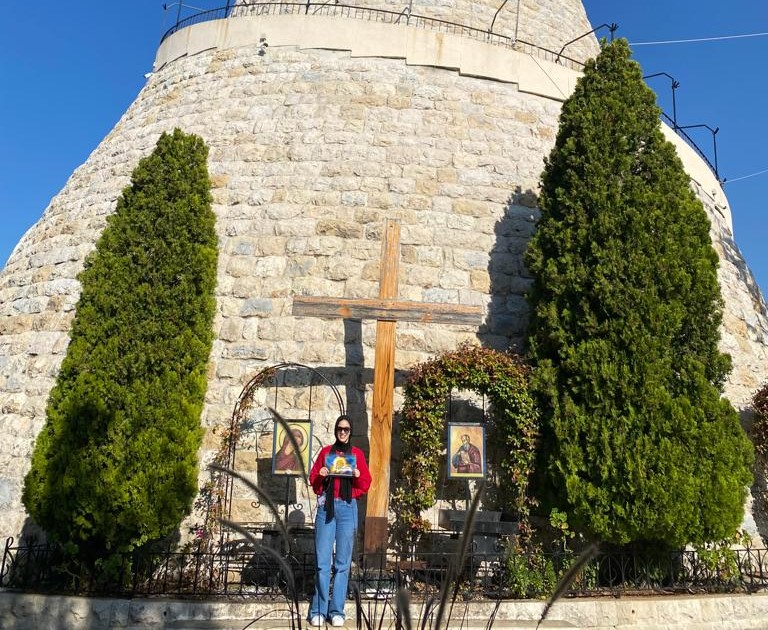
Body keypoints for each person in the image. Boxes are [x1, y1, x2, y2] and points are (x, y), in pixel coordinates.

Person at [308, 415, 371, 627]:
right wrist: (321, 474)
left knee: (343, 564)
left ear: (350, 432)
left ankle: (337, 610)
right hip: (327, 507)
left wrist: (358, 474)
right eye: (339, 429)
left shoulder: (357, 454)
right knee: (322, 562)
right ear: (335, 430)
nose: (342, 432)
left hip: (347, 507)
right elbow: (314, 480)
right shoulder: (326, 452)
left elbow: (366, 483)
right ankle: (318, 609)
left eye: (346, 429)